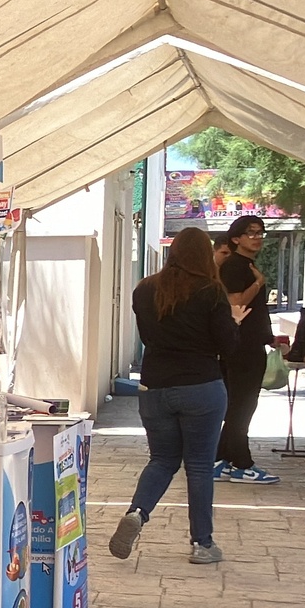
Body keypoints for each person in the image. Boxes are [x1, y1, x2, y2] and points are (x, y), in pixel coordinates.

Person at [108, 228, 241, 565]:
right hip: (201, 386)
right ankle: (202, 544)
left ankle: (137, 513)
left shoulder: (144, 289)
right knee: (199, 466)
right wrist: (235, 322)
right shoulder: (211, 291)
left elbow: (147, 337)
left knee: (162, 459)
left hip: (154, 388)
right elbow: (228, 345)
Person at [213, 215, 289, 484]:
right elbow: (236, 303)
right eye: (251, 233)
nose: (257, 238)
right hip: (241, 347)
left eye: (260, 233)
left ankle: (220, 461)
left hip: (249, 344)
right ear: (236, 238)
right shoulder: (236, 266)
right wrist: (258, 283)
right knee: (242, 406)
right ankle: (241, 464)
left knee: (240, 404)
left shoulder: (245, 264)